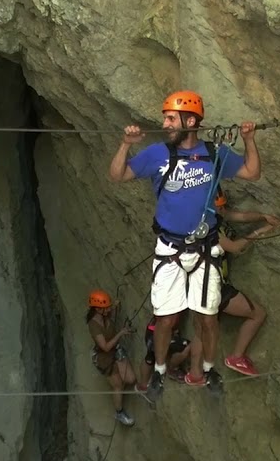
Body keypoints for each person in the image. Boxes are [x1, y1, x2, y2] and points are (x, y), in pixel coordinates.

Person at [109, 91, 261, 400]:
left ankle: (206, 369)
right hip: (170, 248)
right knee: (165, 318)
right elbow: (118, 175)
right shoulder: (156, 154)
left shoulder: (214, 153)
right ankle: (160, 373)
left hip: (205, 249)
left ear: (190, 121)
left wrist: (249, 139)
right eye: (165, 118)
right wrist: (126, 144)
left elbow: (251, 172)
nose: (165, 124)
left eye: (170, 118)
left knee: (207, 317)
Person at [186, 189, 278, 379]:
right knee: (257, 314)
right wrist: (260, 230)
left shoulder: (206, 217)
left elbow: (240, 216)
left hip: (196, 286)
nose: (223, 211)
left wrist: (262, 216)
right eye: (220, 208)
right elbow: (235, 247)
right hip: (213, 286)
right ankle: (237, 357)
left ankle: (195, 373)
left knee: (202, 330)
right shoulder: (208, 229)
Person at [86, 289, 136, 427]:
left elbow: (112, 309)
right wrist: (121, 333)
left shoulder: (104, 315)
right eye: (105, 308)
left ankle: (119, 385)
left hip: (115, 351)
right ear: (97, 309)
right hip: (104, 358)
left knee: (130, 379)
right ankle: (119, 412)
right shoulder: (94, 325)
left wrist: (115, 305)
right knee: (118, 385)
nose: (108, 309)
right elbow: (105, 347)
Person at [135, 318, 192, 391]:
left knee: (151, 356)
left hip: (157, 330)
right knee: (187, 347)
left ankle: (143, 385)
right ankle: (172, 368)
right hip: (158, 332)